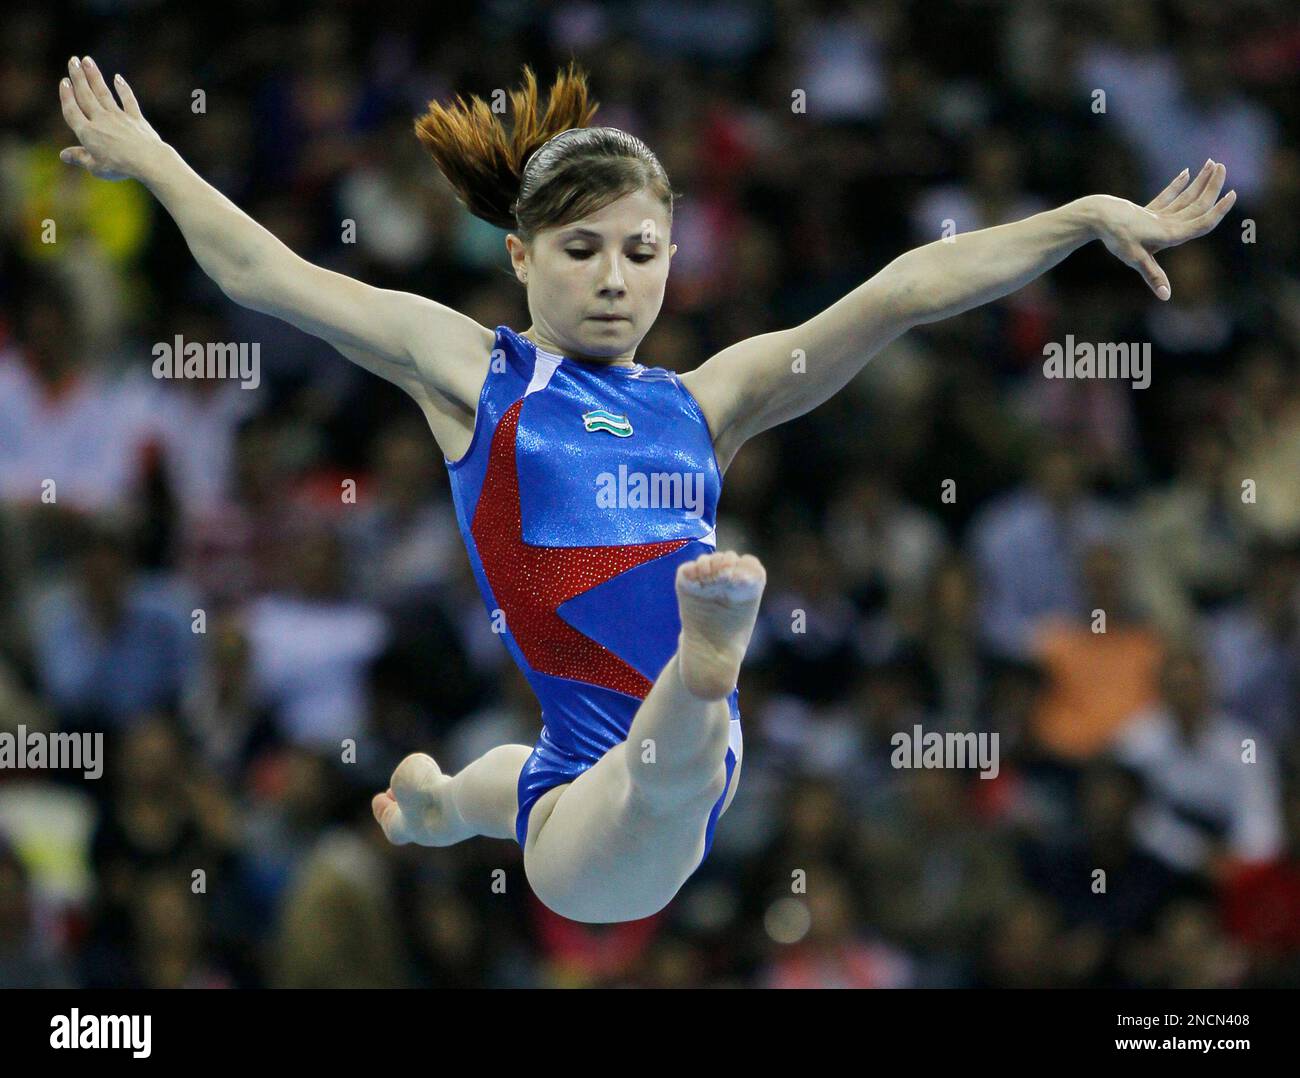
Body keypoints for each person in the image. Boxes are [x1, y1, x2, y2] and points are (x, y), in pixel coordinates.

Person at [57, 55, 1236, 923]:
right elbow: (267, 272)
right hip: (599, 819)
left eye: (641, 250)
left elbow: (906, 290)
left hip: (664, 783)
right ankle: (654, 688)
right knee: (601, 780)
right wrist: (153, 156)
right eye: (579, 252)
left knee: (607, 773)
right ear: (519, 258)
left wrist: (1082, 216)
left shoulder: (706, 400)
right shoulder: (476, 375)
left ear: (676, 254)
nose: (614, 280)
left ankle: (493, 780)